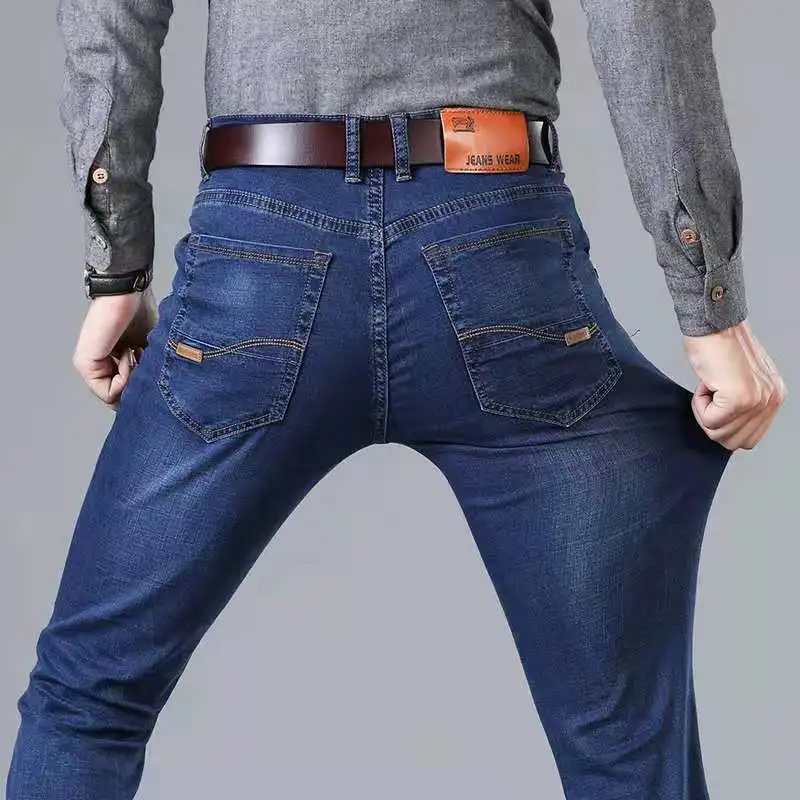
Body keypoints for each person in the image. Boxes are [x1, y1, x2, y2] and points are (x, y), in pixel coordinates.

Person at [6, 1, 786, 798]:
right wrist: (709, 299)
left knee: (88, 699)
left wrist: (117, 262)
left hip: (262, 252)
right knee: (625, 744)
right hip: (498, 238)